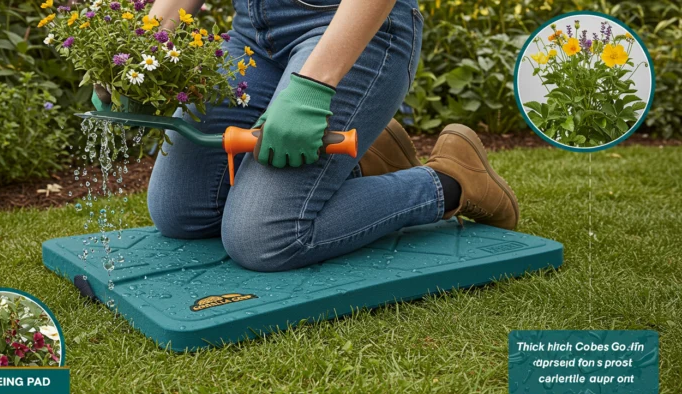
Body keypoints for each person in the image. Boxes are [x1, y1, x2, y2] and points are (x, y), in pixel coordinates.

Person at [96, 0, 518, 272]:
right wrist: (137, 50)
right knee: (179, 212)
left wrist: (312, 88)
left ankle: (450, 180)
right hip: (253, 31)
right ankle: (362, 158)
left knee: (262, 238)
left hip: (352, 26)